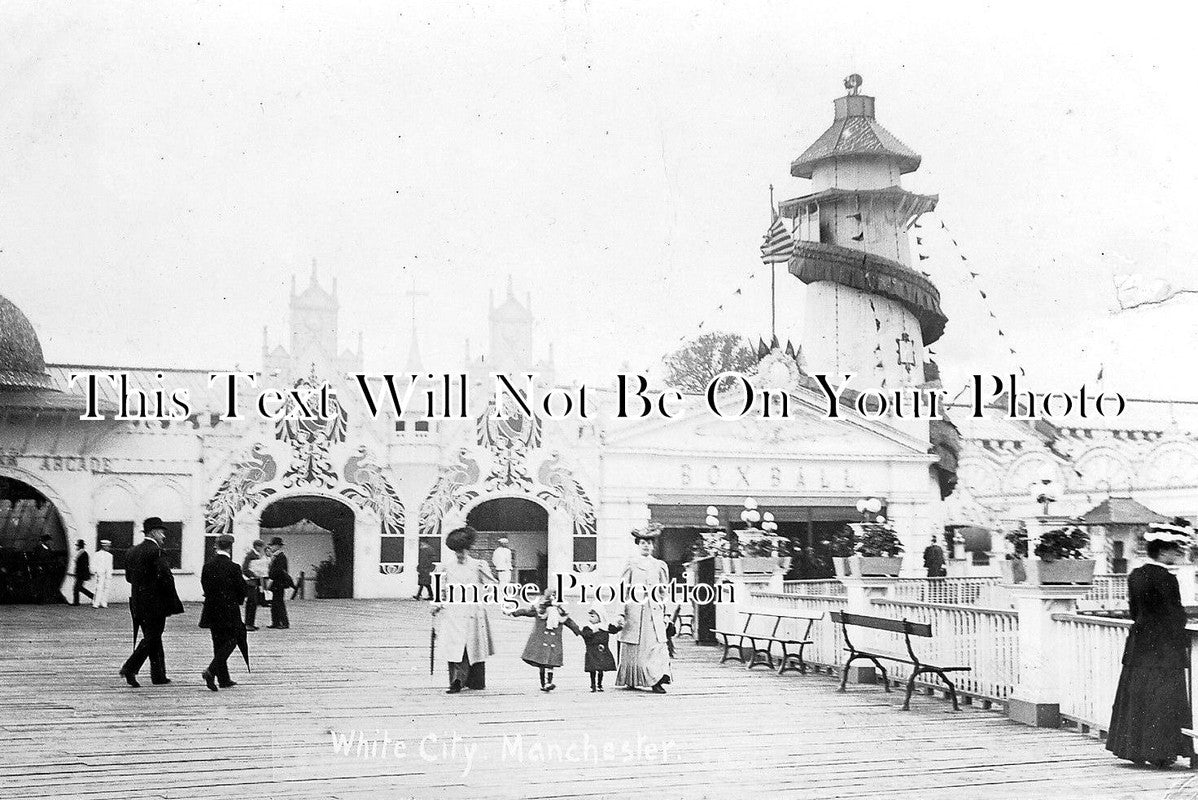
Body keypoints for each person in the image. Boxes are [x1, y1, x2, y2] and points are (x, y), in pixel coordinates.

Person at [1107, 519, 1196, 768]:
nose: (1180, 554)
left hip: (1140, 646)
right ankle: (1160, 752)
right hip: (1164, 649)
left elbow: (1135, 611)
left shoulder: (1137, 575)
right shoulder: (1166, 579)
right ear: (1163, 550)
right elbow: (1174, 616)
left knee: (1139, 696)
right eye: (1177, 549)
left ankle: (1136, 749)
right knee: (1163, 698)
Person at [120, 517, 184, 687]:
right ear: (154, 532)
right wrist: (172, 602)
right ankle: (130, 667)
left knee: (153, 637)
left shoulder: (132, 551)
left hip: (137, 603)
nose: (164, 536)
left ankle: (158, 675)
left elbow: (128, 578)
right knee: (153, 636)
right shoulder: (156, 552)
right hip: (155, 604)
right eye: (162, 533)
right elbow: (166, 578)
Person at [431, 526, 496, 693]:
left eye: (463, 551)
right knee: (455, 646)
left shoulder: (478, 565)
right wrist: (437, 605)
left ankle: (474, 680)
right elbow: (441, 588)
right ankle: (456, 681)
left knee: (471, 647)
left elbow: (492, 584)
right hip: (453, 612)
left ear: (468, 550)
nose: (460, 555)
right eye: (457, 552)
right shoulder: (446, 567)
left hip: (473, 612)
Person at [615, 527, 672, 693]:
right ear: (638, 545)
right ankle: (631, 678)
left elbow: (664, 591)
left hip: (654, 612)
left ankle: (657, 679)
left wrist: (667, 613)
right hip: (634, 612)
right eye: (642, 543)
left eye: (648, 543)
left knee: (657, 645)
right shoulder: (631, 564)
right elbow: (623, 589)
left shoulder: (659, 565)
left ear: (653, 546)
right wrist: (620, 612)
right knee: (634, 646)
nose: (646, 546)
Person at [200, 534, 248, 692]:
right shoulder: (234, 567)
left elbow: (205, 587)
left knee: (217, 643)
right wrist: (238, 601)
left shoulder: (207, 566)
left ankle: (224, 679)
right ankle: (211, 671)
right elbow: (241, 589)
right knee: (232, 640)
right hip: (229, 610)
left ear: (217, 546)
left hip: (212, 610)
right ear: (229, 547)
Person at [508, 588, 569, 692]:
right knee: (542, 663)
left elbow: (570, 622)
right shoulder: (540, 611)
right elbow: (527, 612)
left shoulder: (561, 614)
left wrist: (580, 632)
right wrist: (514, 613)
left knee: (551, 663)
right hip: (541, 641)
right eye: (552, 596)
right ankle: (543, 684)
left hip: (554, 642)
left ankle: (548, 683)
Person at [565, 604, 622, 692]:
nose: (590, 618)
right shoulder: (588, 627)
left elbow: (613, 630)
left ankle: (599, 684)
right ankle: (593, 684)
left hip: (602, 651)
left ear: (600, 617)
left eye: (593, 616)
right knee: (593, 669)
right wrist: (593, 631)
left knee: (601, 669)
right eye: (590, 616)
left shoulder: (605, 626)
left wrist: (619, 626)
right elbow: (585, 635)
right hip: (592, 652)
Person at [266, 537, 293, 629]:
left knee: (279, 603)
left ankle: (284, 622)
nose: (271, 548)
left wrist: (271, 575)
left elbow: (279, 570)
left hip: (279, 582)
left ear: (277, 546)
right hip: (276, 583)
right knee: (275, 603)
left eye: (272, 545)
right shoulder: (275, 556)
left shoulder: (280, 557)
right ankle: (276, 621)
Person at [241, 540, 267, 631]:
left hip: (256, 581)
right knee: (251, 602)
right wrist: (253, 575)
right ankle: (248, 623)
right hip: (251, 582)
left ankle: (250, 623)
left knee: (254, 603)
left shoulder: (257, 555)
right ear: (256, 546)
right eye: (260, 546)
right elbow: (244, 569)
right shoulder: (250, 556)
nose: (261, 548)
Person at [91, 539, 113, 608]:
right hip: (100, 574)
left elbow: (110, 565)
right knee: (99, 588)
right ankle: (96, 603)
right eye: (107, 546)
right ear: (103, 546)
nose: (108, 548)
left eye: (109, 546)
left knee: (106, 588)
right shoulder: (97, 554)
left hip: (107, 574)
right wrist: (95, 571)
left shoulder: (110, 555)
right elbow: (93, 564)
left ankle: (104, 602)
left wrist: (110, 573)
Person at [71, 539, 94, 605]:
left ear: (79, 546)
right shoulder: (81, 553)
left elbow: (84, 565)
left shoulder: (83, 554)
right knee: (79, 588)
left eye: (77, 546)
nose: (76, 547)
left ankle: (77, 602)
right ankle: (92, 597)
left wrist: (79, 573)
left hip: (81, 574)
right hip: (80, 573)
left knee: (77, 588)